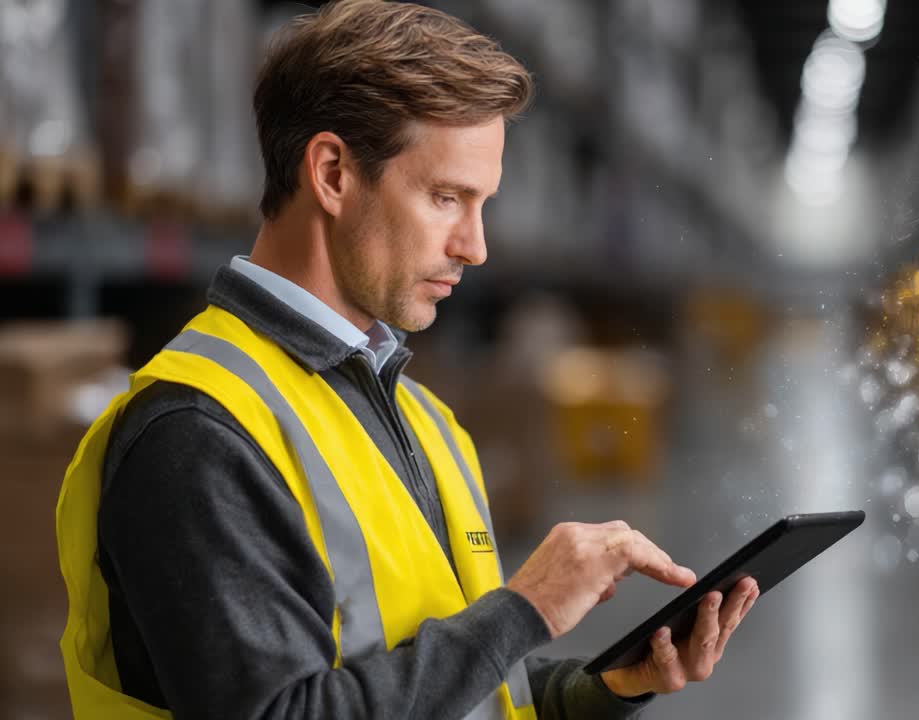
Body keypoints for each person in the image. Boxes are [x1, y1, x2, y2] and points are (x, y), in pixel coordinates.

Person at [55, 1, 759, 718]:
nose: (474, 246)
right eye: (446, 197)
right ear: (331, 173)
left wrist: (600, 688)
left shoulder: (421, 419)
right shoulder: (199, 434)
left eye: (481, 204)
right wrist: (523, 609)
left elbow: (448, 689)